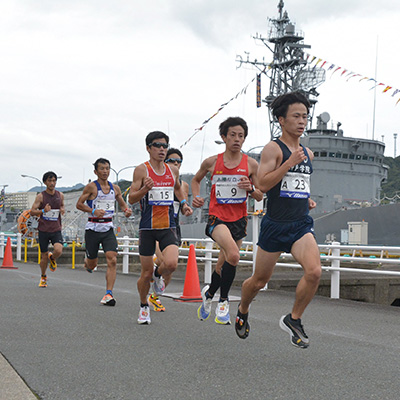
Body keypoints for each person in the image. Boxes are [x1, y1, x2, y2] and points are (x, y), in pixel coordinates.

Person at [235, 92, 321, 349]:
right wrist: (289, 163)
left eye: (305, 116)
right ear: (281, 120)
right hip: (275, 225)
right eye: (296, 116)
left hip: (300, 224)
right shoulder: (274, 148)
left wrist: (306, 198)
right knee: (259, 281)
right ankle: (243, 308)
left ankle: (293, 319)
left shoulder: (309, 153)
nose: (302, 121)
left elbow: (296, 184)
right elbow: (262, 183)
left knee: (315, 272)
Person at [191, 116, 263, 325]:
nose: (237, 139)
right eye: (232, 135)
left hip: (239, 220)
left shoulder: (251, 164)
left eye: (241, 136)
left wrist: (251, 188)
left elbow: (260, 194)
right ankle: (223, 302)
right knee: (234, 254)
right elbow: (195, 180)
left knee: (224, 265)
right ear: (223, 137)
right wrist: (195, 196)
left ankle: (209, 294)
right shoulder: (212, 162)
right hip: (217, 218)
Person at [129, 132, 193, 325]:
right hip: (148, 228)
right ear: (148, 148)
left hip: (168, 225)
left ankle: (159, 275)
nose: (162, 149)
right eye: (157, 145)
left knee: (172, 264)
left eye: (165, 145)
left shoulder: (172, 171)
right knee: (145, 273)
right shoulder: (142, 170)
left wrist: (183, 203)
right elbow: (131, 198)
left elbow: (176, 188)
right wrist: (144, 190)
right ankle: (143, 306)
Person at [76, 158, 132, 306]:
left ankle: (109, 294)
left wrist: (126, 210)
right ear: (96, 171)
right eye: (102, 168)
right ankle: (87, 263)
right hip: (93, 228)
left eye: (107, 168)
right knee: (92, 264)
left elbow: (121, 203)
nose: (105, 171)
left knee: (112, 259)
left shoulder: (115, 188)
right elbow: (79, 204)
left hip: (108, 228)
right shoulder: (91, 188)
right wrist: (93, 210)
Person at [149, 148, 190, 313]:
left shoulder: (184, 186)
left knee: (171, 267)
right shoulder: (158, 181)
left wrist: (187, 207)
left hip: (173, 227)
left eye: (178, 161)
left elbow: (182, 205)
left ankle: (155, 296)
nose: (175, 164)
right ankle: (153, 269)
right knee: (163, 261)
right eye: (171, 160)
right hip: (158, 226)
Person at [30, 171, 65, 287]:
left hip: (56, 229)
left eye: (54, 180)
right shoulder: (41, 196)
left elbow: (62, 205)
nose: (52, 183)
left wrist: (62, 209)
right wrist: (43, 211)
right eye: (50, 181)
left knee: (59, 250)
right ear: (45, 182)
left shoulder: (60, 195)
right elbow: (32, 212)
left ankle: (53, 257)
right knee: (44, 255)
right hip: (44, 229)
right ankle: (43, 276)